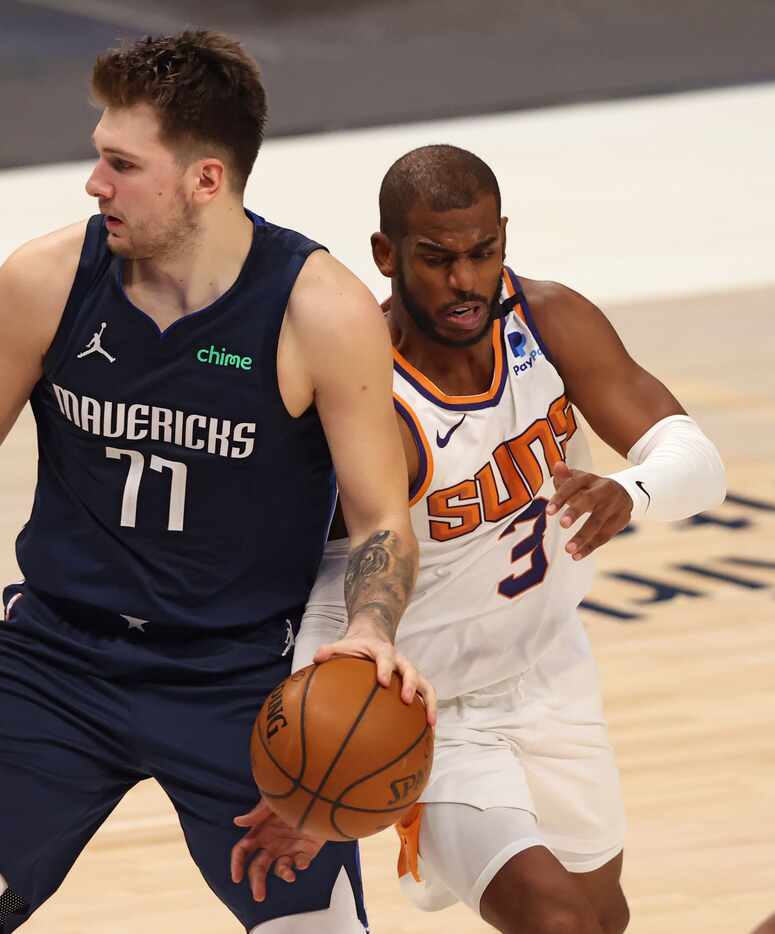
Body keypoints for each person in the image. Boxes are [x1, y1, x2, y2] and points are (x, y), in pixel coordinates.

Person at [0, 32, 434, 934]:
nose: (96, 184)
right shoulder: (45, 278)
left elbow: (377, 521)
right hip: (57, 658)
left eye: (121, 164)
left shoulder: (318, 310)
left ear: (206, 179)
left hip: (237, 677)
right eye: (100, 157)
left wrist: (368, 630)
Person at [261, 144, 725, 933]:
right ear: (386, 254)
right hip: (427, 713)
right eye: (437, 259)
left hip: (551, 670)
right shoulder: (365, 388)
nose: (464, 281)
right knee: (556, 924)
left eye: (482, 253)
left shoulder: (549, 321)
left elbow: (696, 460)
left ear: (503, 236)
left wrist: (629, 490)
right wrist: (307, 758)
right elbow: (321, 576)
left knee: (599, 918)